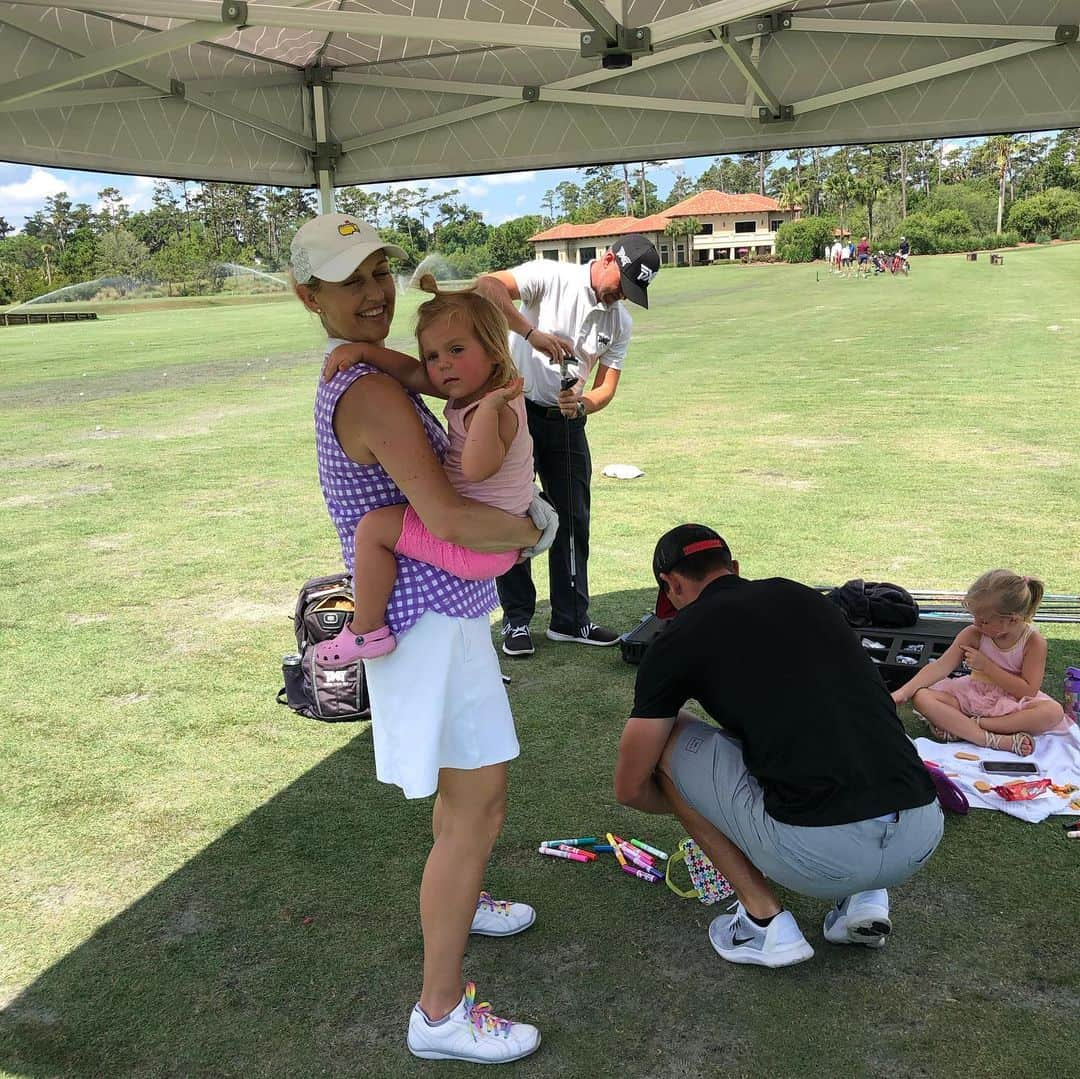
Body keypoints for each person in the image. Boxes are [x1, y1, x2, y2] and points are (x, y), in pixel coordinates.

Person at [292, 213, 554, 1063]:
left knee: (469, 800)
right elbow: (442, 512)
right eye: (348, 281)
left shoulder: (368, 374)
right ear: (310, 297)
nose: (372, 292)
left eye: (378, 271)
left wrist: (372, 352)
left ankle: (464, 894)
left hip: (433, 614)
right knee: (476, 805)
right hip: (429, 621)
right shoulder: (368, 393)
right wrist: (531, 532)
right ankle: (439, 1014)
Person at [613, 524, 943, 968]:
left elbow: (630, 786)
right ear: (733, 568)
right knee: (844, 728)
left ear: (671, 586)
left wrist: (705, 812)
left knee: (666, 740)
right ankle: (866, 898)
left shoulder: (678, 636)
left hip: (822, 857)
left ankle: (763, 923)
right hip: (920, 831)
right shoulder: (806, 597)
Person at [313, 275, 536, 666]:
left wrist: (484, 415)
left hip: (484, 543)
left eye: (455, 349)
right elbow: (413, 374)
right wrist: (365, 352)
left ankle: (366, 630)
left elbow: (476, 468)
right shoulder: (472, 385)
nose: (442, 365)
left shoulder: (494, 407)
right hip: (492, 538)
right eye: (433, 355)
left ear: (494, 352)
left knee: (373, 529)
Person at [475, 235, 661, 658]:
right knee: (512, 511)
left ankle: (571, 619)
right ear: (609, 258)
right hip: (515, 413)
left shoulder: (619, 322)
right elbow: (486, 286)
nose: (621, 297)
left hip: (566, 423)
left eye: (632, 292)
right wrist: (531, 333)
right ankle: (517, 620)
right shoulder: (550, 276)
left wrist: (582, 405)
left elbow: (606, 388)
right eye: (622, 283)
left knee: (573, 517)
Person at [891, 569, 1065, 756]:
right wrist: (903, 692)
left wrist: (987, 667)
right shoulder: (973, 634)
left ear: (1012, 619)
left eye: (983, 621)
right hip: (972, 695)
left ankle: (967, 726)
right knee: (922, 697)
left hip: (1011, 704)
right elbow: (941, 666)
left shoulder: (1033, 642)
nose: (976, 623)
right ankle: (994, 739)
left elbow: (1028, 690)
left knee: (1053, 712)